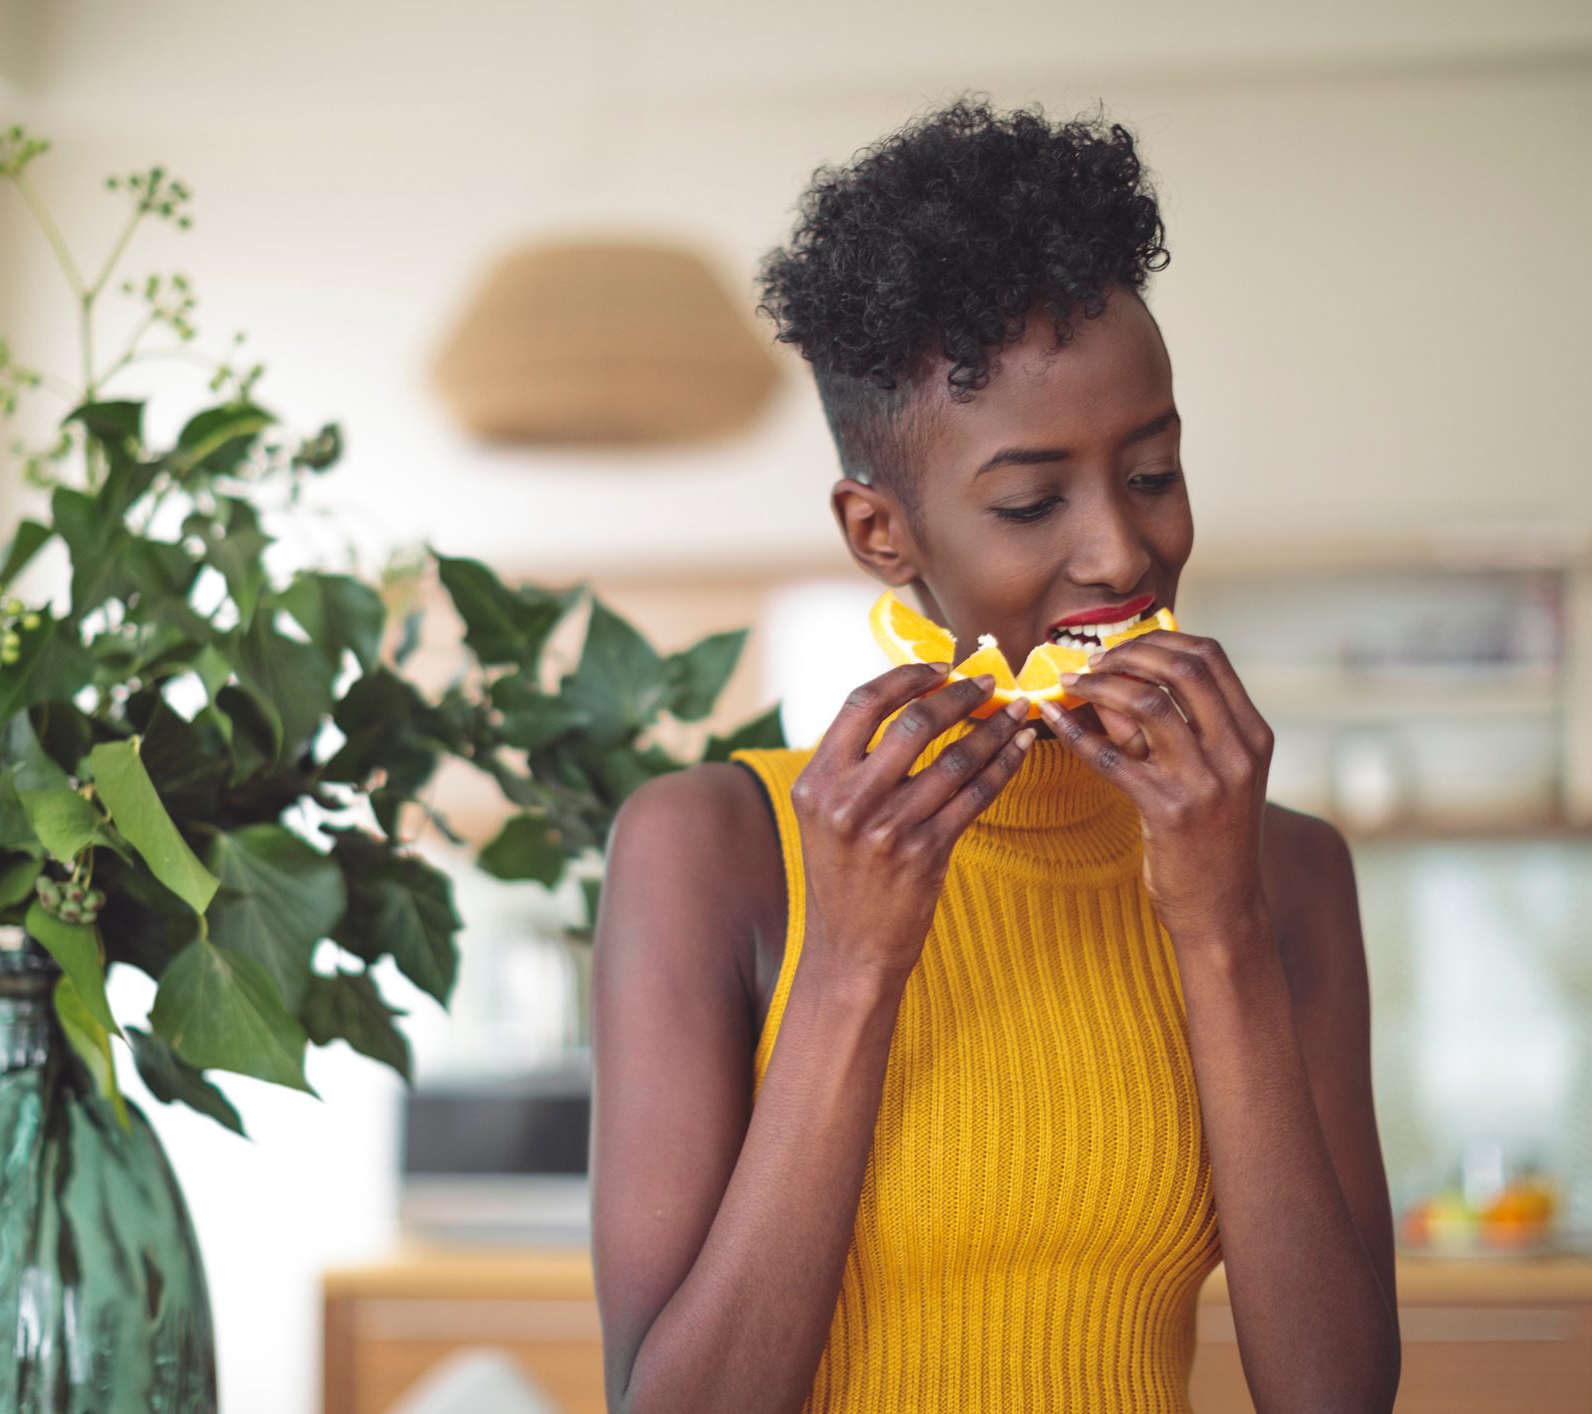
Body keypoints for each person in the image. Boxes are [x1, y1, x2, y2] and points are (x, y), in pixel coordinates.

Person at [588, 95, 1399, 1414]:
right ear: (879, 531)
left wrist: (1218, 928)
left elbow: (1335, 1397)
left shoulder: (1284, 868)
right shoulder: (709, 850)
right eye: (1030, 501)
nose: (1124, 554)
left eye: (1151, 471)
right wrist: (851, 961)